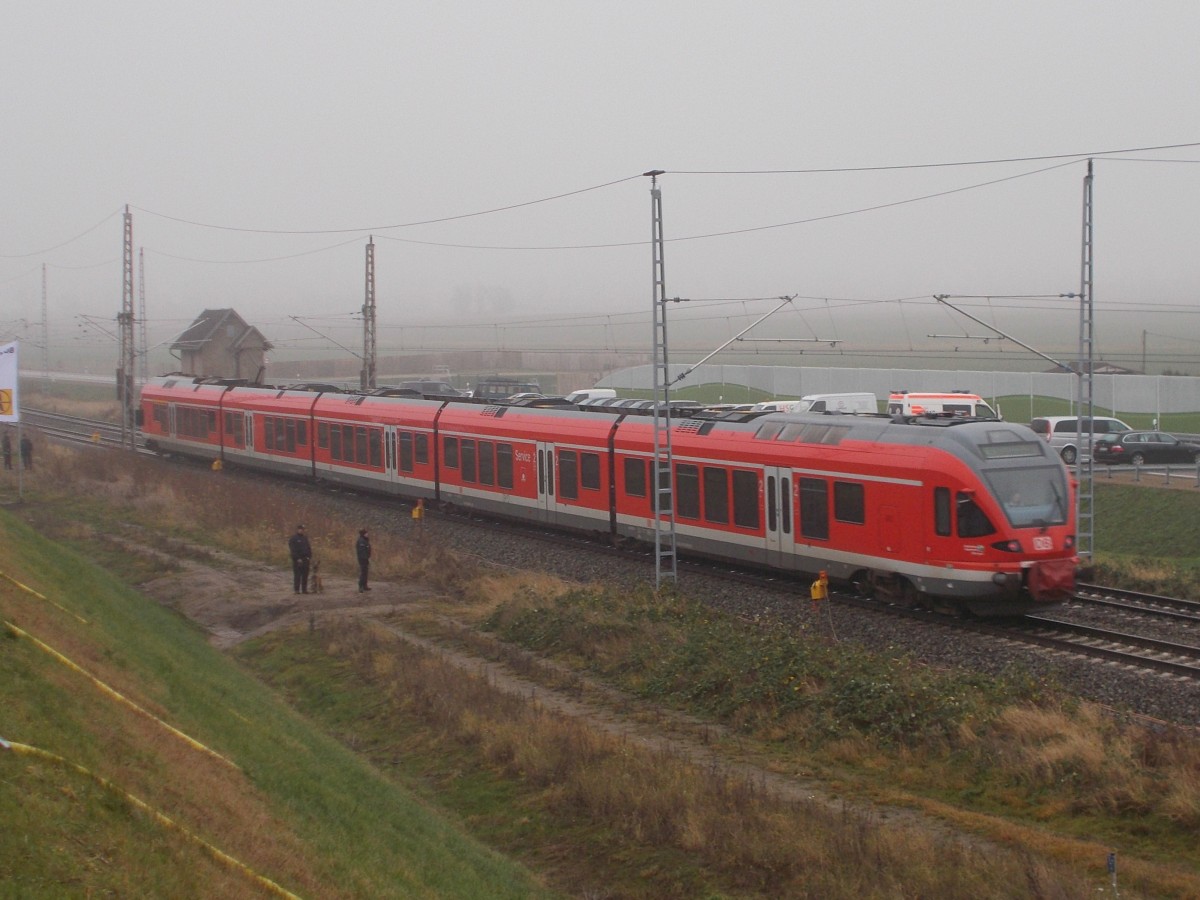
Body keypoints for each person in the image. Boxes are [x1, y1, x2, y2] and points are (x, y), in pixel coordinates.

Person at [288, 524, 313, 594]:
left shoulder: (305, 538)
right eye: (300, 529)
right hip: (297, 560)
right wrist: (297, 558)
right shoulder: (293, 538)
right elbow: (293, 550)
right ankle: (296, 590)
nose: (301, 530)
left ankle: (304, 589)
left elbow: (309, 548)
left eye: (303, 529)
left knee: (305, 575)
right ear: (297, 529)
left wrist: (309, 557)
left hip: (305, 559)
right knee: (297, 575)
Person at [356, 528, 372, 592]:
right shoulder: (361, 541)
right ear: (363, 534)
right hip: (362, 559)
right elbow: (361, 552)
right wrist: (365, 558)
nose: (367, 534)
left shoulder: (365, 540)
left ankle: (365, 585)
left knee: (365, 572)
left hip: (365, 559)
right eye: (366, 533)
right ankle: (360, 586)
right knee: (363, 573)